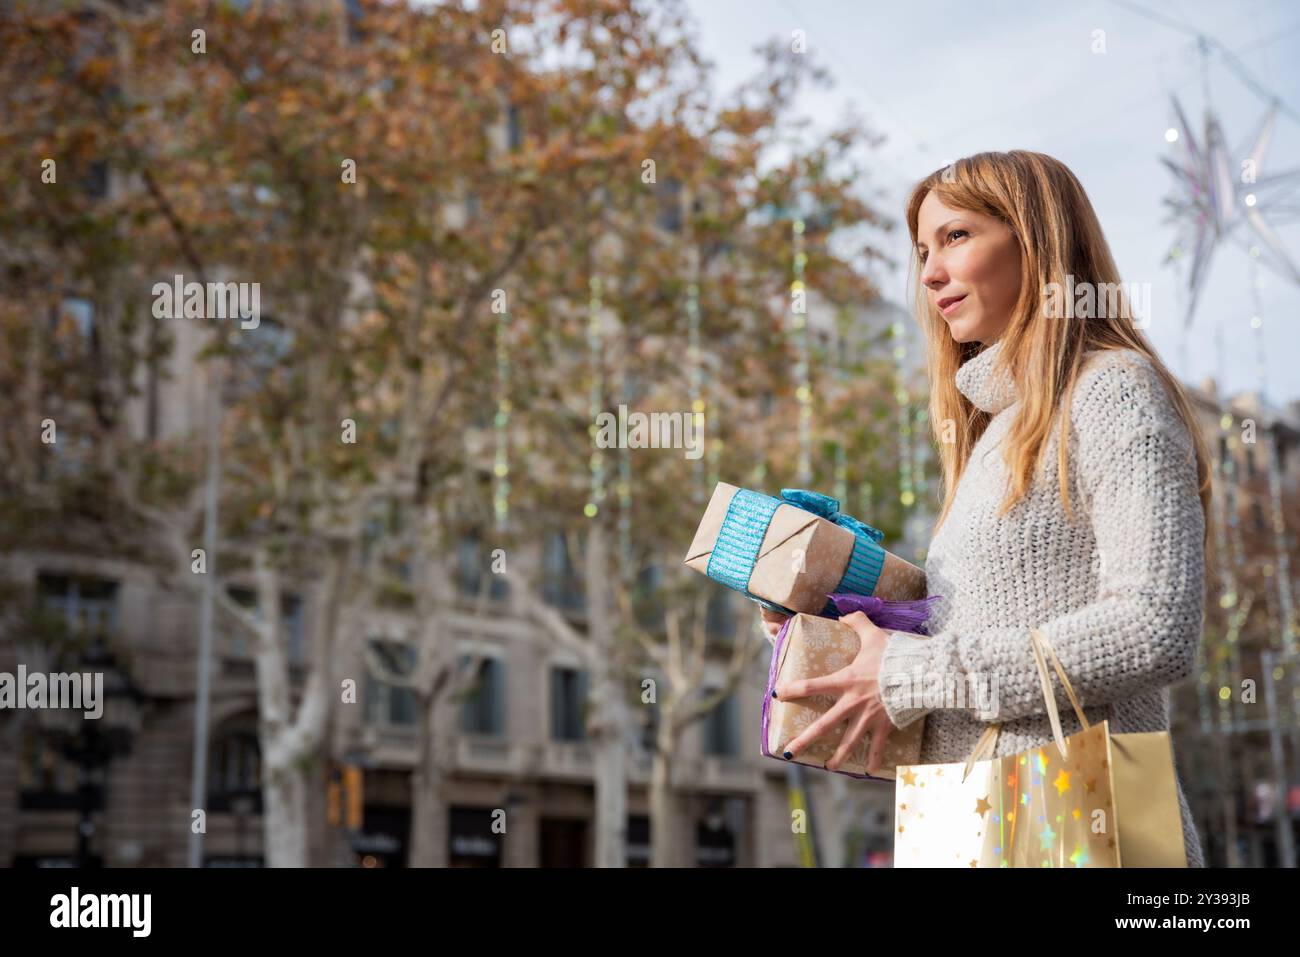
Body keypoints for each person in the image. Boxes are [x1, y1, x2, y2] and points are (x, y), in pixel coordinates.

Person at [763, 151, 1210, 867]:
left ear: (1035, 240)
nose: (930, 271)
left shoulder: (1112, 388)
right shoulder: (989, 431)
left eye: (957, 237)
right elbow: (964, 632)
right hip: (959, 816)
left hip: (1070, 807)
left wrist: (913, 671)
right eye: (922, 251)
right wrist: (831, 618)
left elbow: (1156, 625)